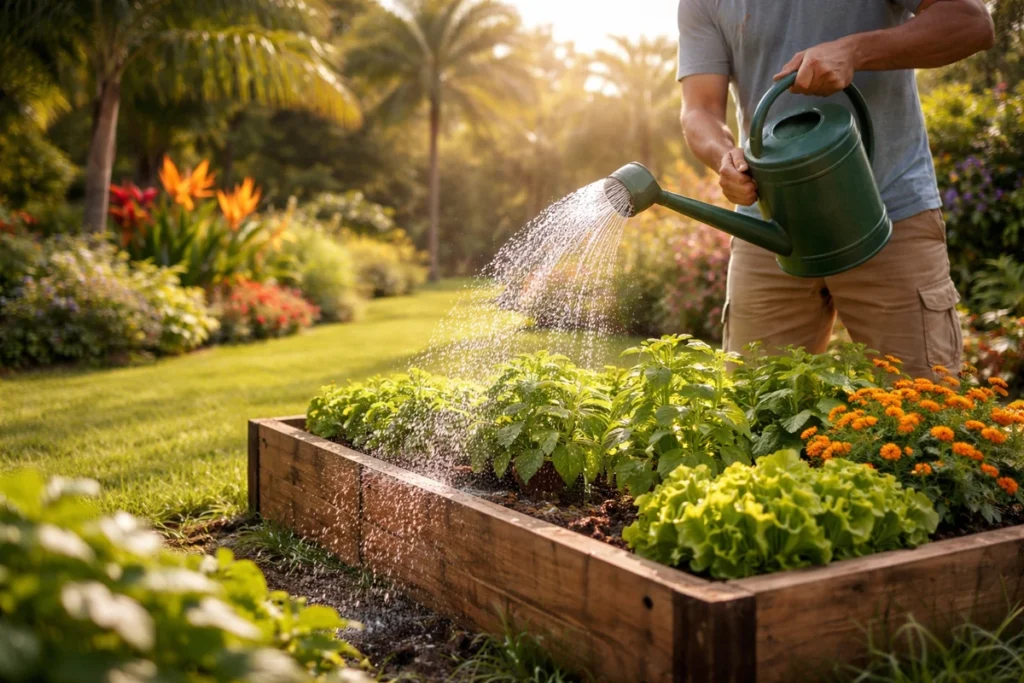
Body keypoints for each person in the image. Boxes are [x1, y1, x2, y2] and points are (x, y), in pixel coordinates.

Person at [677, 0, 994, 379]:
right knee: (754, 412)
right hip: (774, 230)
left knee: (923, 413)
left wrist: (854, 51)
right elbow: (699, 109)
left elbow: (971, 22)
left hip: (891, 215)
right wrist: (725, 156)